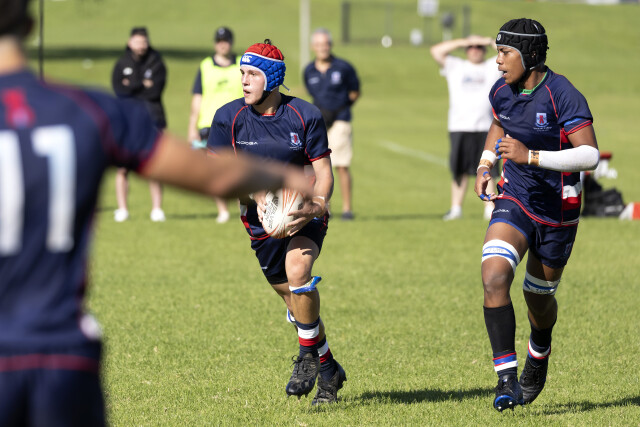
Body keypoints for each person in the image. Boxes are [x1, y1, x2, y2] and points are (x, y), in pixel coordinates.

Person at [0, 2, 312, 424]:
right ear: (29, 24)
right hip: (61, 355)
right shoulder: (90, 110)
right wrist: (285, 177)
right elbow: (213, 175)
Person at [208, 39, 346, 405]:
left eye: (252, 74)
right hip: (260, 223)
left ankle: (306, 357)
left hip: (304, 213)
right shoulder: (228, 118)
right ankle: (328, 368)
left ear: (271, 79)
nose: (244, 80)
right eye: (242, 73)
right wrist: (256, 193)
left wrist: (318, 204)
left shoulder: (304, 114)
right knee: (295, 302)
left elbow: (323, 171)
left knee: (298, 273)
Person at [474, 18, 599, 411]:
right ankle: (507, 380)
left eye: (504, 52)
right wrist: (485, 163)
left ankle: (539, 350)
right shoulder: (502, 90)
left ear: (529, 55)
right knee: (494, 275)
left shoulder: (562, 94)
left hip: (558, 210)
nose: (497, 61)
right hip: (515, 197)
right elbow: (499, 124)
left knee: (538, 300)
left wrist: (532, 156)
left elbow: (590, 155)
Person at [430, 34, 502, 221]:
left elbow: (507, 54)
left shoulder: (492, 66)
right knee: (459, 169)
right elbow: (436, 51)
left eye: (478, 47)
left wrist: (488, 41)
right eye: (472, 47)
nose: (475, 50)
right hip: (459, 126)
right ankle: (456, 208)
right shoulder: (456, 66)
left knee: (488, 168)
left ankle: (489, 207)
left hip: (487, 126)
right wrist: (465, 41)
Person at [187, 26, 243, 224]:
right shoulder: (205, 66)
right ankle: (222, 210)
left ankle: (243, 207)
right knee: (215, 170)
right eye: (219, 41)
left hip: (238, 122)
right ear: (215, 44)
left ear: (231, 42)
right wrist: (192, 126)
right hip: (209, 124)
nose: (223, 45)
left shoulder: (241, 64)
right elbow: (197, 97)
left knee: (239, 168)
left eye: (226, 40)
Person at [111, 27, 167, 222]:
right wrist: (143, 83)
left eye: (143, 42)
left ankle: (157, 209)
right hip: (127, 119)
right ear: (129, 42)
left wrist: (132, 84)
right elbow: (119, 90)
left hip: (153, 118)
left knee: (155, 164)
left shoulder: (156, 62)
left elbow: (155, 91)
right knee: (122, 167)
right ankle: (122, 209)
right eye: (137, 41)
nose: (140, 45)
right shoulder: (122, 63)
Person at [304, 28, 360, 220]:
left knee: (341, 165)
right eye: (318, 44)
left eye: (326, 44)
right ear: (313, 47)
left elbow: (355, 91)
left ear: (331, 45)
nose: (323, 48)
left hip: (340, 120)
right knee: (318, 166)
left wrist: (340, 109)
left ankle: (347, 209)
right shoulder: (309, 70)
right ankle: (323, 207)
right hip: (319, 124)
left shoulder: (343, 67)